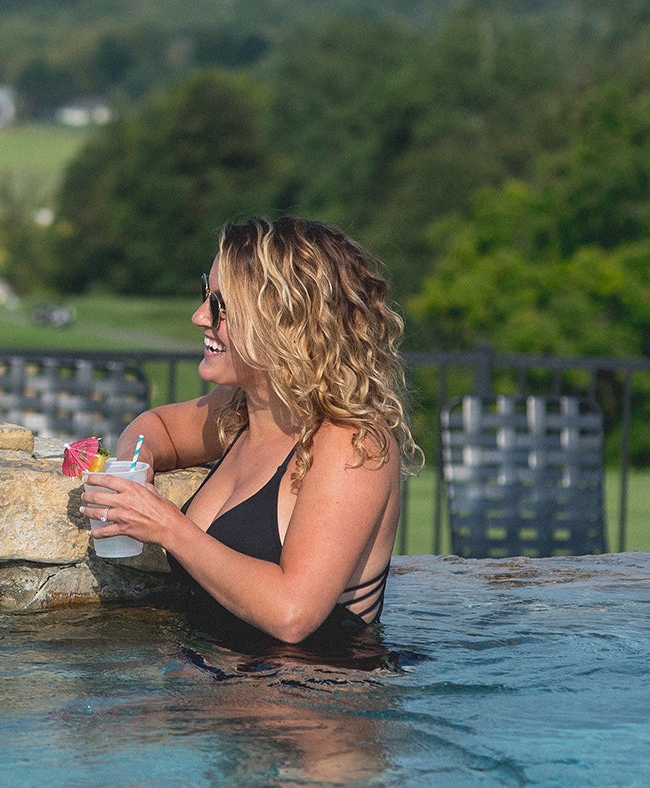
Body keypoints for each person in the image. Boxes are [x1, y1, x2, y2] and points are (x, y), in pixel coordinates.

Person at [81, 216, 417, 648]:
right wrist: (136, 466)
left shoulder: (351, 443)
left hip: (310, 705)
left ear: (284, 322)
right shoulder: (247, 410)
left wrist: (166, 526)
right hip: (216, 692)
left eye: (220, 306)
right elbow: (155, 426)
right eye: (206, 295)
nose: (200, 316)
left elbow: (292, 614)